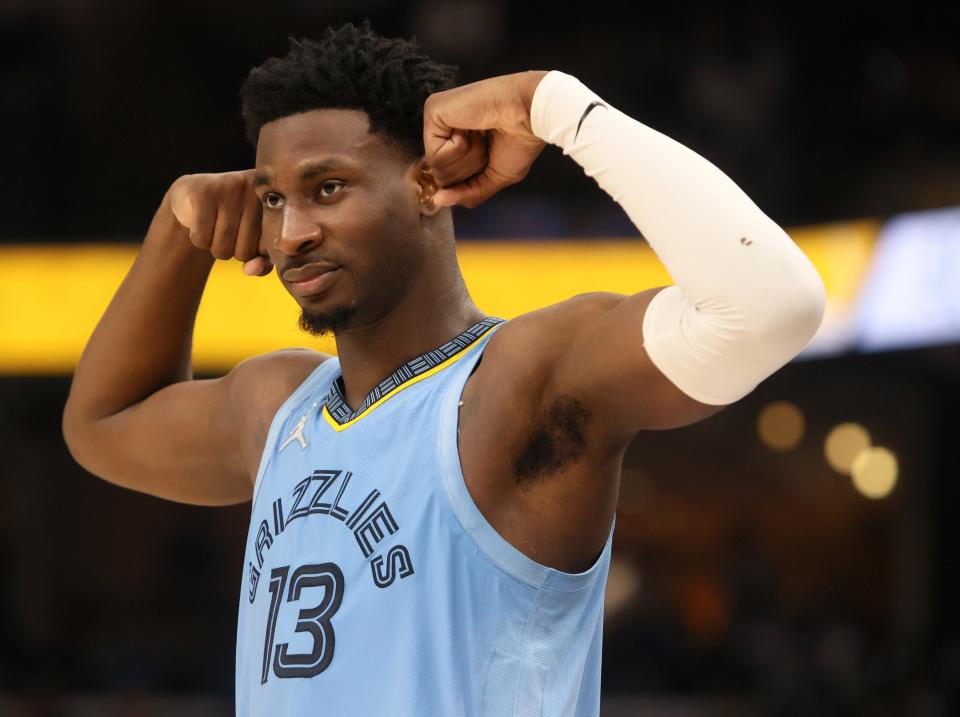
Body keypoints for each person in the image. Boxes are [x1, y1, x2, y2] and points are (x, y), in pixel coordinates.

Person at [61, 21, 825, 717]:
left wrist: (553, 105)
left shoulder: (519, 381)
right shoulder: (278, 407)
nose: (290, 231)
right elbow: (100, 425)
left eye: (327, 188)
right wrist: (175, 231)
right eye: (272, 197)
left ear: (428, 184)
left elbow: (772, 306)